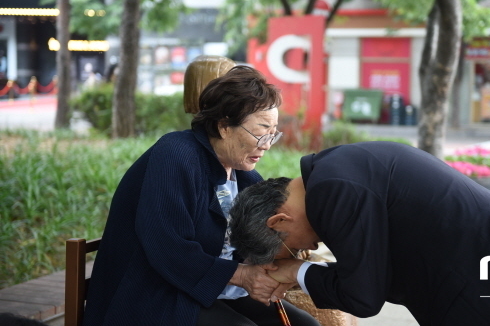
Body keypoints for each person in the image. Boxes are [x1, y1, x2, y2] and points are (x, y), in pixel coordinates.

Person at [230, 141, 490, 326]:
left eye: (289, 251)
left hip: (487, 282)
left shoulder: (335, 192)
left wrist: (295, 271)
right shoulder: (330, 171)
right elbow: (369, 273)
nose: (309, 248)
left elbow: (363, 297)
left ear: (278, 222)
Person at [83, 66, 320, 326]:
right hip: (155, 293)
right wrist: (241, 275)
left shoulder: (245, 176)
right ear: (224, 127)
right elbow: (166, 246)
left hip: (211, 289)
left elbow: (258, 240)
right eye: (260, 131)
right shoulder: (175, 156)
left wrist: (273, 270)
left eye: (272, 134)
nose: (266, 145)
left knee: (304, 325)